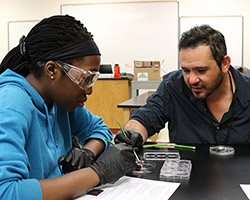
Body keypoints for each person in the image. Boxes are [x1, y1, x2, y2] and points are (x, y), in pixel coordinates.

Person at [0, 15, 136, 200]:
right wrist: (98, 173)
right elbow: (7, 192)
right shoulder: (11, 103)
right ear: (52, 70)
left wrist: (88, 152)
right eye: (85, 79)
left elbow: (99, 129)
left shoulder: (58, 101)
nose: (90, 90)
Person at [115, 24, 250, 147]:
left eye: (201, 71)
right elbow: (144, 119)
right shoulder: (173, 86)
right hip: (188, 172)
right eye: (186, 70)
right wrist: (132, 133)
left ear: (224, 64)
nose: (192, 80)